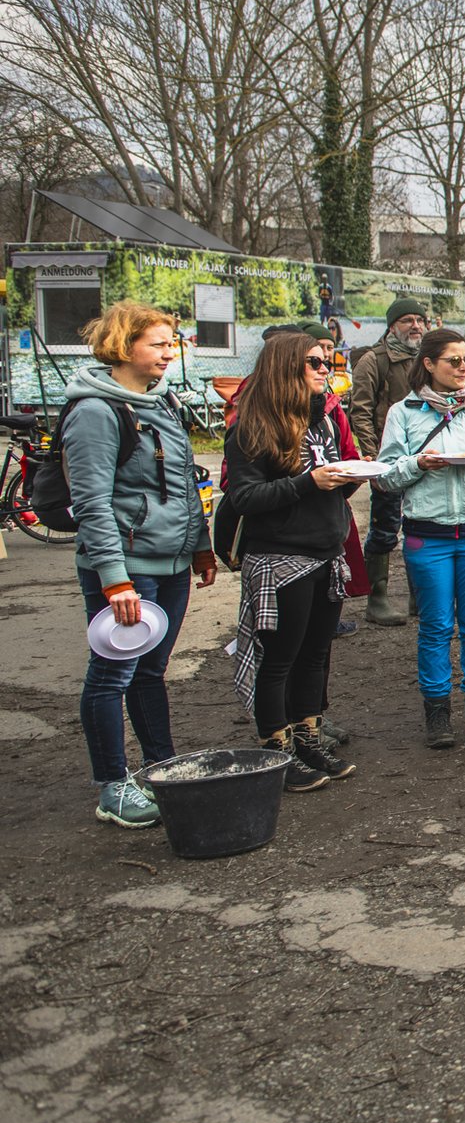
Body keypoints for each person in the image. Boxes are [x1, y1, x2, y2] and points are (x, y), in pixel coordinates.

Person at [62, 303, 215, 827]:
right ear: (124, 347)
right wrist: (115, 580)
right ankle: (111, 785)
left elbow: (185, 486)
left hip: (171, 562)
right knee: (111, 675)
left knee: (151, 670)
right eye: (158, 344)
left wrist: (200, 545)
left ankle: (160, 765)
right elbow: (92, 504)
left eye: (171, 343)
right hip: (127, 568)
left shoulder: (163, 402)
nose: (169, 353)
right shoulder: (94, 412)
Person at [225, 333, 360, 790]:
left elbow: (328, 479)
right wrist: (310, 483)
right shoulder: (251, 426)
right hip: (280, 558)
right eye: (314, 362)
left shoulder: (322, 419)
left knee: (316, 654)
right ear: (286, 367)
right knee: (280, 657)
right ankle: (275, 751)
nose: (325, 369)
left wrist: (348, 478)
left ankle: (308, 738)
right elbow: (243, 496)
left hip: (326, 551)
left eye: (327, 361)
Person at [374, 328, 465, 747]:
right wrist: (419, 464)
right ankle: (437, 714)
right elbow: (386, 474)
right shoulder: (405, 411)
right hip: (427, 535)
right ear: (430, 364)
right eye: (454, 360)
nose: (463, 367)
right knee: (435, 626)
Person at [348, 297, 429, 625]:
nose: (416, 325)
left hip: (425, 459)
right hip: (389, 460)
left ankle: (418, 595)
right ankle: (377, 599)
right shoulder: (373, 360)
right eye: (408, 319)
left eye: (420, 320)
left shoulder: (428, 358)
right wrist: (372, 455)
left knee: (421, 525)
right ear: (392, 325)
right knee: (384, 529)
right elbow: (361, 410)